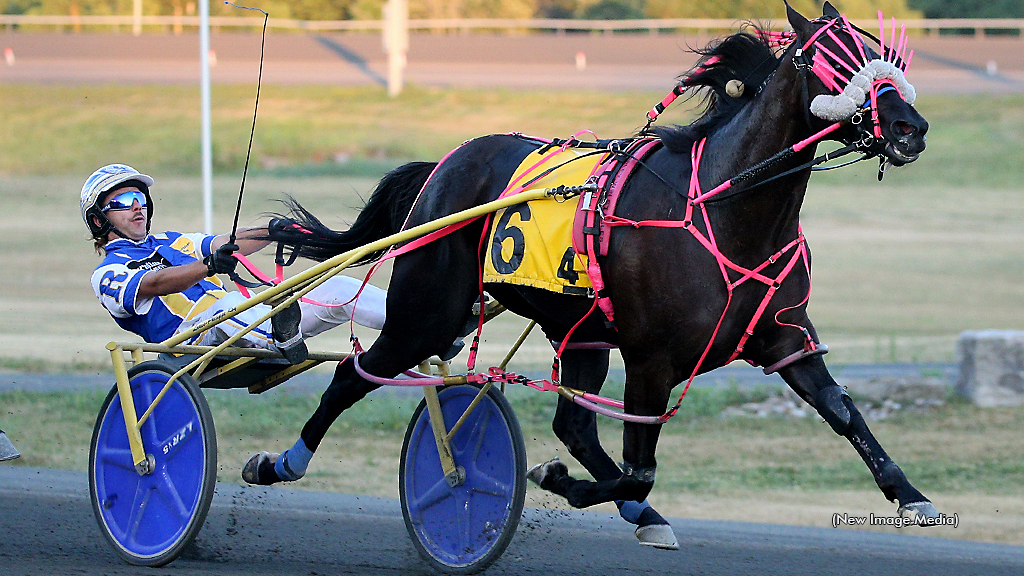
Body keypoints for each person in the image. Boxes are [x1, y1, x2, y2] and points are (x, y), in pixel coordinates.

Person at [83, 163, 388, 484]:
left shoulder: (172, 240)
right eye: (123, 200)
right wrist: (207, 267)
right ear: (98, 219)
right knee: (229, 305)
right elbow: (156, 284)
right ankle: (277, 334)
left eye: (140, 198)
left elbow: (226, 243)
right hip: (190, 344)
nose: (136, 206)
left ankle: (407, 318)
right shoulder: (107, 272)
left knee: (337, 288)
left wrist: (271, 231)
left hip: (240, 324)